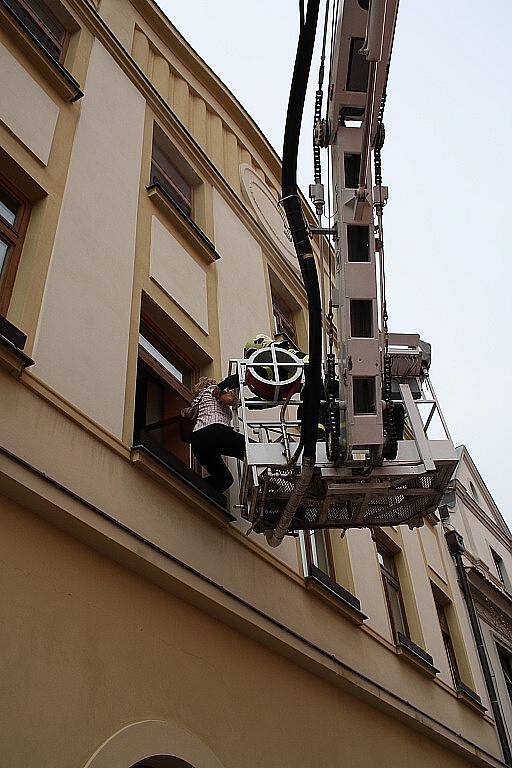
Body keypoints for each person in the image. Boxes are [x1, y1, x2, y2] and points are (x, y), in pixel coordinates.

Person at [190, 377, 245, 493]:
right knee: (251, 449)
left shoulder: (199, 401)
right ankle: (268, 478)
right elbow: (228, 399)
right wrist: (235, 399)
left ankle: (192, 488)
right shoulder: (214, 389)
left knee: (224, 479)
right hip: (215, 431)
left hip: (197, 441)